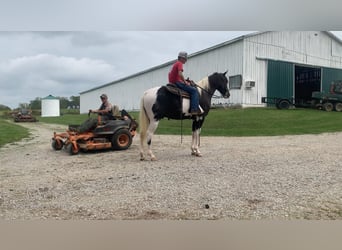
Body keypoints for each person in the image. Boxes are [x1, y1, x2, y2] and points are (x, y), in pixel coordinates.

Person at [168, 51, 203, 115]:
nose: (186, 60)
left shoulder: (174, 64)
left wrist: (185, 81)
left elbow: (175, 75)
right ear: (181, 58)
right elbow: (180, 74)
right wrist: (185, 82)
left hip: (173, 82)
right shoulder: (179, 63)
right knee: (194, 91)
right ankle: (194, 109)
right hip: (177, 83)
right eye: (185, 59)